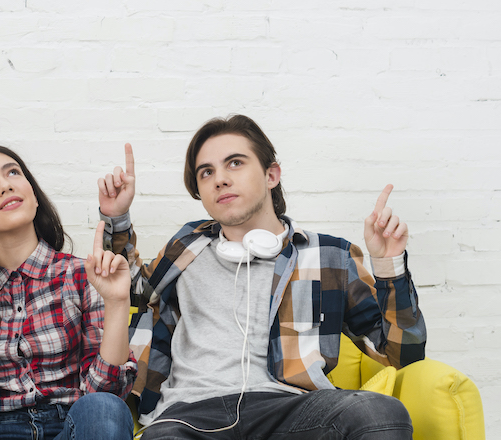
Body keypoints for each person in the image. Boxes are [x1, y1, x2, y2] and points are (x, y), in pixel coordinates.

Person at [97, 115, 427, 439]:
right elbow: (130, 292)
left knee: (380, 412)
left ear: (271, 175)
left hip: (291, 410)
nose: (220, 179)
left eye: (235, 163)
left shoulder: (330, 257)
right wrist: (117, 217)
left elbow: (402, 357)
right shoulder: (186, 247)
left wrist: (389, 265)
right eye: (207, 172)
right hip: (189, 416)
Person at [0, 144, 138, 440]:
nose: (5, 185)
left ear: (34, 197)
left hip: (72, 427)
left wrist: (117, 303)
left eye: (13, 172)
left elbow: (108, 398)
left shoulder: (82, 276)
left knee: (103, 409)